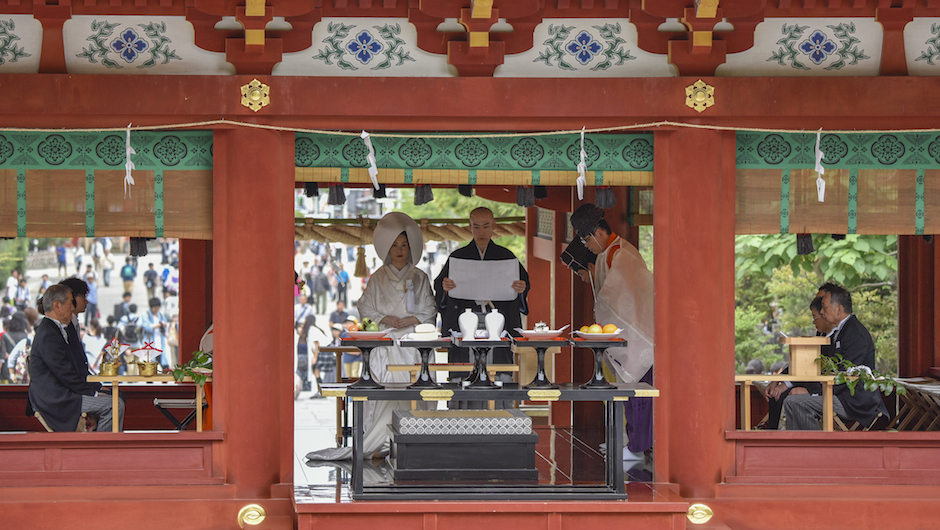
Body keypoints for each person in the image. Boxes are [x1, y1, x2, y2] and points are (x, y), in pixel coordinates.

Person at [307, 212, 437, 461]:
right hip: (386, 340)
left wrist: (410, 320)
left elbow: (430, 309)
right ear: (388, 248)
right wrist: (387, 320)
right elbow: (365, 307)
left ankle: (415, 439)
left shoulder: (419, 277)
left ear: (410, 247)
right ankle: (379, 442)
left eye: (404, 244)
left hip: (412, 341)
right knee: (386, 389)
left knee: (416, 386)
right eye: (395, 245)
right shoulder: (377, 277)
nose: (399, 250)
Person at [569, 203, 654, 460]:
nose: (586, 245)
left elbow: (620, 298)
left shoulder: (621, 253)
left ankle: (637, 448)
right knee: (625, 392)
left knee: (637, 393)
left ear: (599, 233)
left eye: (586, 239)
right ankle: (628, 442)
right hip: (630, 333)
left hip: (640, 335)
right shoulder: (610, 253)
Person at [433, 207, 530, 399]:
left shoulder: (507, 256)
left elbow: (523, 289)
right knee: (463, 372)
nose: (481, 231)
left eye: (486, 226)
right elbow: (439, 289)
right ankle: (462, 416)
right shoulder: (457, 257)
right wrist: (446, 287)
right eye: (476, 227)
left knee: (498, 371)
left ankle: (501, 414)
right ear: (470, 227)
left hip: (498, 320)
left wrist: (520, 289)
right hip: (465, 321)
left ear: (494, 226)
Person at [783, 285, 890, 430]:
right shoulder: (839, 331)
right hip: (840, 394)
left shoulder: (855, 334)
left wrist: (813, 393)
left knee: (795, 401)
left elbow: (845, 374)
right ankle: (802, 446)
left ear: (839, 309)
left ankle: (811, 448)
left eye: (824, 308)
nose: (821, 312)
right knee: (793, 399)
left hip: (853, 400)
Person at [27, 284, 123, 432]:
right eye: (70, 303)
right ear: (57, 306)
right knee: (114, 405)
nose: (73, 308)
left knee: (115, 398)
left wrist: (94, 389)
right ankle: (100, 451)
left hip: (64, 393)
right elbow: (66, 374)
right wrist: (94, 393)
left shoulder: (55, 329)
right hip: (57, 399)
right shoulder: (48, 334)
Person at [762, 296, 833, 430]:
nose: (814, 321)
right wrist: (780, 379)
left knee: (789, 398)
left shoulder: (840, 335)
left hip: (825, 390)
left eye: (816, 316)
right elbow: (805, 363)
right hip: (809, 382)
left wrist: (810, 392)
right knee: (776, 395)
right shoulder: (822, 334)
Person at [141, 298, 170, 368]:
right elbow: (147, 327)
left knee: (165, 366)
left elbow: (165, 324)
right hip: (150, 342)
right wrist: (159, 325)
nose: (157, 309)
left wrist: (164, 325)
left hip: (160, 341)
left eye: (158, 307)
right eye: (155, 308)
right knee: (150, 365)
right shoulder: (146, 315)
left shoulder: (160, 314)